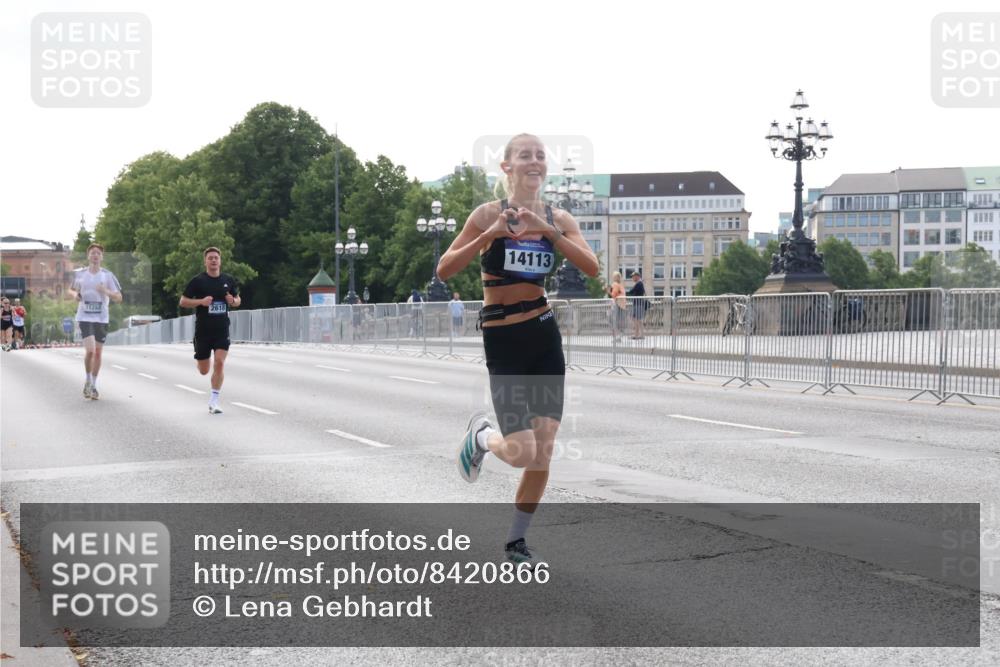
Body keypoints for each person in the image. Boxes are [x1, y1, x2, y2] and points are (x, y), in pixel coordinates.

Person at [437, 133, 599, 567]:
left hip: (543, 336)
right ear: (507, 167)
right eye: (524, 155)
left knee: (543, 451)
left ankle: (515, 544)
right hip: (504, 338)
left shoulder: (558, 217)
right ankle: (483, 437)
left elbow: (592, 267)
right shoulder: (487, 213)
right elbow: (445, 267)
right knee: (521, 451)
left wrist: (550, 232)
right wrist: (487, 235)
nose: (534, 161)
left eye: (540, 156)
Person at [179, 247, 241, 414]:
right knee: (204, 370)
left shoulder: (228, 280)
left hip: (222, 330)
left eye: (216, 258)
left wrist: (233, 300)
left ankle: (214, 400)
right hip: (203, 332)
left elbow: (238, 300)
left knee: (220, 363)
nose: (214, 260)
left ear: (220, 261)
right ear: (205, 261)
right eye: (210, 258)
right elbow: (183, 301)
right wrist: (200, 302)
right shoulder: (198, 281)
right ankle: (202, 361)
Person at [69, 244, 123, 399]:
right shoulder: (80, 274)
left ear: (102, 257)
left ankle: (93, 384)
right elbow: (70, 290)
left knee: (98, 353)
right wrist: (75, 295)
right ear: (88, 256)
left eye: (98, 253)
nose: (95, 255)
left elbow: (119, 298)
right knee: (91, 350)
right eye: (92, 253)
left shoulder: (107, 276)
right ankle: (87, 380)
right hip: (84, 317)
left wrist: (105, 291)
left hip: (101, 318)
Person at [607, 272, 627, 339]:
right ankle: (620, 335)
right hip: (622, 305)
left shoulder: (615, 284)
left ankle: (616, 336)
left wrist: (608, 291)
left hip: (617, 304)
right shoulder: (621, 285)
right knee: (619, 320)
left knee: (611, 319)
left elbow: (613, 295)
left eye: (613, 276)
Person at [627, 271, 647, 339]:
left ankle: (639, 334)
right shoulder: (639, 283)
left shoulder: (639, 283)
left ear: (637, 276)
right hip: (637, 304)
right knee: (636, 319)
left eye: (633, 276)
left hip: (638, 304)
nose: (632, 278)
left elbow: (631, 291)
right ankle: (639, 334)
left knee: (637, 320)